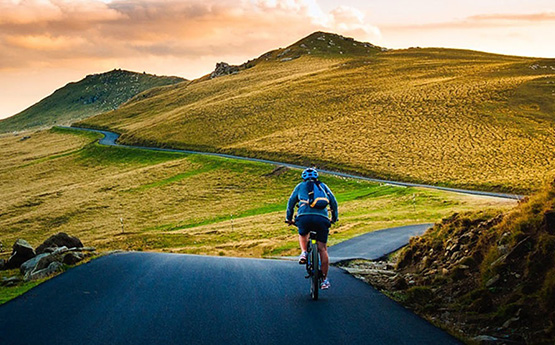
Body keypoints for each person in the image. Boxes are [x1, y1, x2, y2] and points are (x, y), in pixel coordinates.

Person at [286, 167, 338, 290]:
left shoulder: (300, 186)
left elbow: (291, 203)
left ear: (303, 178)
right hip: (322, 219)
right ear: (316, 177)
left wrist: (289, 218)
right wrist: (334, 218)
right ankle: (324, 280)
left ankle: (304, 252)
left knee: (303, 233)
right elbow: (333, 202)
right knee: (322, 249)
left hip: (304, 217)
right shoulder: (323, 186)